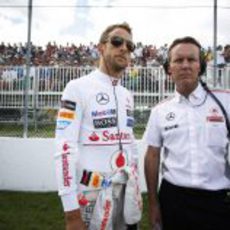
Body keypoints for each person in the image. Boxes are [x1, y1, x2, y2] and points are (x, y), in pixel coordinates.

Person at [54, 22, 142, 230]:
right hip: (91, 194)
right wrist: (71, 211)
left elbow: (130, 144)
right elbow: (64, 149)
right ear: (101, 47)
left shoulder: (126, 94)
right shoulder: (76, 88)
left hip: (126, 192)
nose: (124, 48)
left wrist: (136, 185)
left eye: (130, 46)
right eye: (117, 41)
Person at [144, 36, 230, 230]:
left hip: (217, 202)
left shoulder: (225, 102)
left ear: (201, 66)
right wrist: (153, 203)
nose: (185, 65)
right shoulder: (159, 111)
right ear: (169, 68)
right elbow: (152, 155)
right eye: (178, 60)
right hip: (174, 201)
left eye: (191, 60)